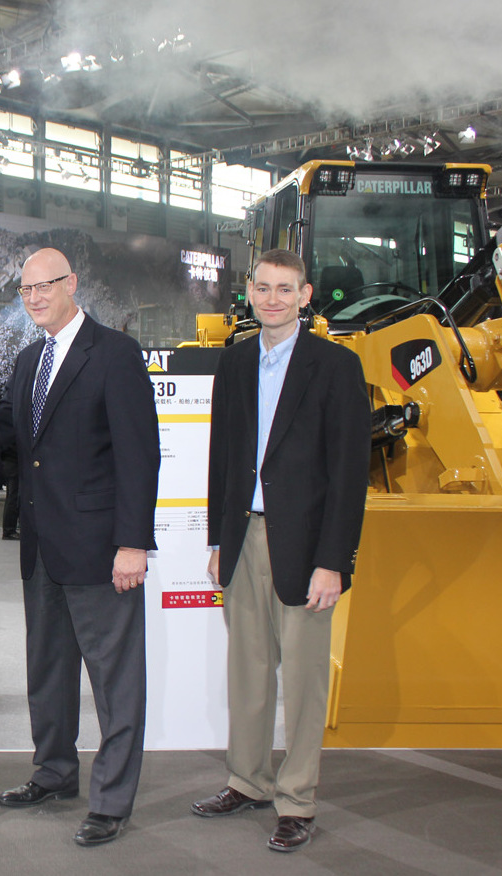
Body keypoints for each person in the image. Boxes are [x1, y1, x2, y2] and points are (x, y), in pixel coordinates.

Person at [193, 249, 370, 852]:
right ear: (249, 292)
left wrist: (334, 561)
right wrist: (218, 539)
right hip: (243, 539)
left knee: (303, 680)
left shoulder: (336, 366)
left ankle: (296, 800)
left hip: (306, 547)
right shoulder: (236, 361)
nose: (273, 299)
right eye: (264, 288)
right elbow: (222, 456)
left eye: (285, 289)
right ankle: (247, 781)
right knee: (247, 671)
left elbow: (349, 474)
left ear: (305, 295)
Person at [0, 247, 160, 847]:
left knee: (114, 681)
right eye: (26, 289)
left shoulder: (114, 353)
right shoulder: (27, 362)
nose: (35, 297)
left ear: (72, 284)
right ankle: (54, 773)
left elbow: (139, 454)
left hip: (100, 550)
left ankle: (111, 800)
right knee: (49, 671)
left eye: (46, 285)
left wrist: (133, 543)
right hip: (41, 548)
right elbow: (16, 448)